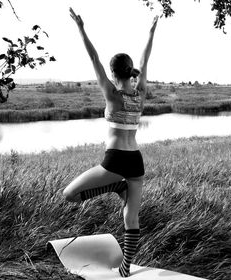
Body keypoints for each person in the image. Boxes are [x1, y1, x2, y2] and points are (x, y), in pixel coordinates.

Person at [63, 7, 158, 277]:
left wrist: (81, 28)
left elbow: (93, 57)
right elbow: (146, 58)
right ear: (131, 72)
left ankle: (115, 186)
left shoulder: (112, 95)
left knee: (69, 195)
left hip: (115, 160)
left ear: (114, 73)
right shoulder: (140, 94)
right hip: (136, 161)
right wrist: (151, 32)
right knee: (131, 218)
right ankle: (125, 269)